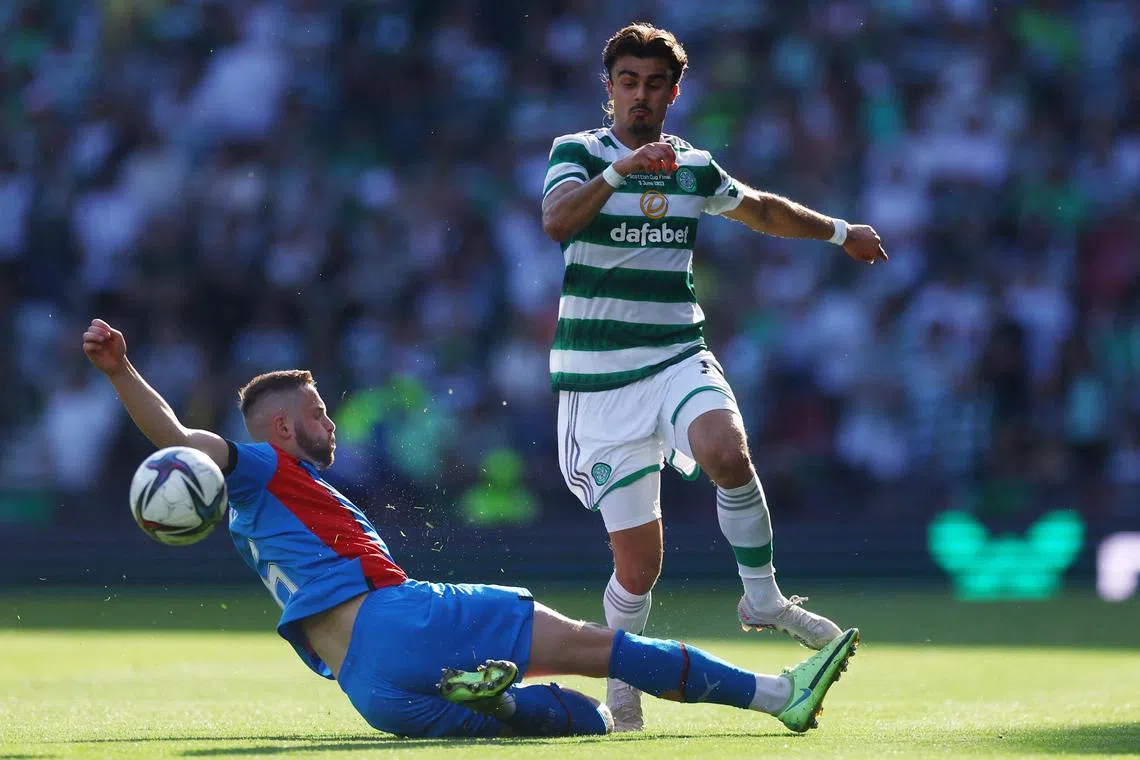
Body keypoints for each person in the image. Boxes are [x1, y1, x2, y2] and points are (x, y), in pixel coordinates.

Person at [82, 317, 859, 738]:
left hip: (372, 693)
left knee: (580, 720)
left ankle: (499, 701)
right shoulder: (258, 466)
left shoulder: (258, 514)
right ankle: (777, 695)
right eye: (318, 413)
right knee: (599, 648)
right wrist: (121, 370)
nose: (331, 424)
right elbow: (181, 438)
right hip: (397, 622)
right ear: (279, 428)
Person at [540, 22, 888, 730]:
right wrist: (621, 173)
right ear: (608, 89)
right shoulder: (578, 154)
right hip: (598, 384)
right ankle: (620, 677)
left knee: (727, 451)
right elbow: (556, 222)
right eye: (628, 83)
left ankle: (762, 596)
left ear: (673, 92)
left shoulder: (692, 167)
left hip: (676, 356)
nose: (640, 96)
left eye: (654, 84)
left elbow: (760, 208)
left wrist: (837, 231)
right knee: (638, 569)